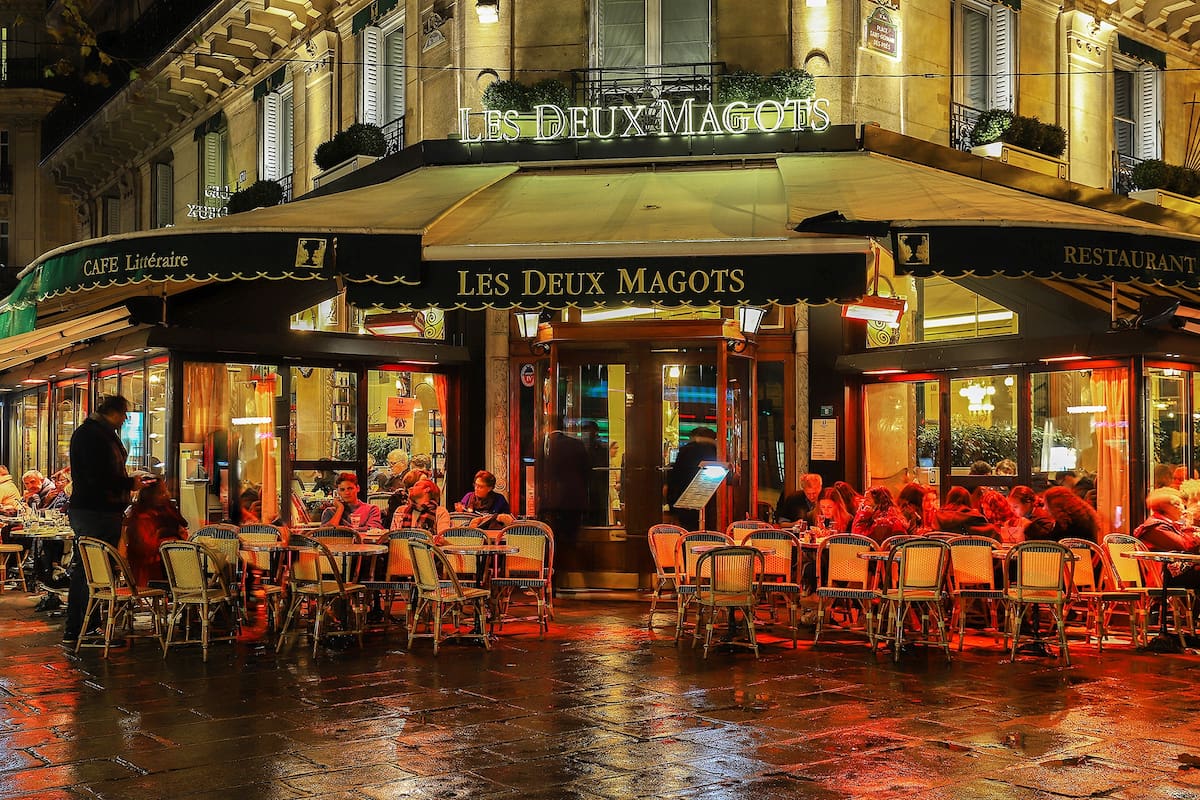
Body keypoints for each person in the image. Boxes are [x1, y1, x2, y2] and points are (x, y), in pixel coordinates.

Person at [63, 396, 152, 644]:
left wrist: (126, 480)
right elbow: (98, 476)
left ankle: (83, 627)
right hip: (97, 512)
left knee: (89, 569)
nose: (125, 419)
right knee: (92, 570)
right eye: (124, 414)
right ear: (115, 412)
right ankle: (84, 628)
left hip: (96, 510)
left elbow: (102, 473)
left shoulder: (94, 432)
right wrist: (128, 482)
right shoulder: (94, 435)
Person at [540, 421, 590, 573]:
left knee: (556, 541)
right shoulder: (576, 444)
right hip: (574, 500)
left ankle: (557, 578)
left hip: (555, 502)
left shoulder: (546, 444)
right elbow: (587, 472)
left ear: (547, 427)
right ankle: (571, 574)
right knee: (570, 539)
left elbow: (544, 474)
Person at [1133, 488, 1200, 592]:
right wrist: (1190, 528)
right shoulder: (1156, 527)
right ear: (1165, 507)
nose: (1182, 508)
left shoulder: (1169, 525)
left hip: (1177, 572)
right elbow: (1185, 546)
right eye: (1178, 504)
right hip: (1166, 575)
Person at [124, 480, 188, 588]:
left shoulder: (167, 510)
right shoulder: (142, 517)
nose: (167, 494)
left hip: (170, 560)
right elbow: (145, 547)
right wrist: (168, 539)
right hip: (150, 567)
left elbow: (183, 529)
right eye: (161, 492)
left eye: (165, 491)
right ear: (150, 496)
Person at [665, 426, 719, 530]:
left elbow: (674, 479)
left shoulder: (685, 451)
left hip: (686, 502)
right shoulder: (717, 452)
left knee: (689, 532)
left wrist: (673, 508)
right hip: (711, 503)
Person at [934, 485, 1000, 540]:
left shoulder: (937, 518)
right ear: (968, 501)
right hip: (973, 555)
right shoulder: (974, 518)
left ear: (948, 499)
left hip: (943, 555)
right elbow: (993, 535)